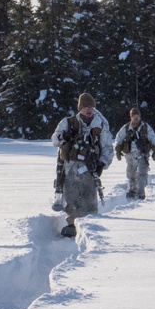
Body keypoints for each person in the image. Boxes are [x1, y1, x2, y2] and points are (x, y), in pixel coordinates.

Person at [51, 93, 114, 238]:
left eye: (91, 107)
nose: (89, 109)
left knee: (89, 199)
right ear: (80, 108)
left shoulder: (100, 125)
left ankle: (89, 227)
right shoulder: (68, 122)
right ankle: (72, 224)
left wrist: (102, 164)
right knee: (71, 198)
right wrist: (64, 136)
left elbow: (107, 147)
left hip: (90, 168)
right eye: (86, 107)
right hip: (70, 167)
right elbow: (55, 139)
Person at [114, 108, 155, 199]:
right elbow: (118, 139)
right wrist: (118, 150)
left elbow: (153, 138)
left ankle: (141, 192)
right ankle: (132, 189)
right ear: (131, 117)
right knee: (131, 173)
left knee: (142, 173)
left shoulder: (146, 127)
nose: (136, 117)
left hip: (143, 154)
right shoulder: (126, 128)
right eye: (134, 116)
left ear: (140, 116)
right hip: (130, 154)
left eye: (137, 115)